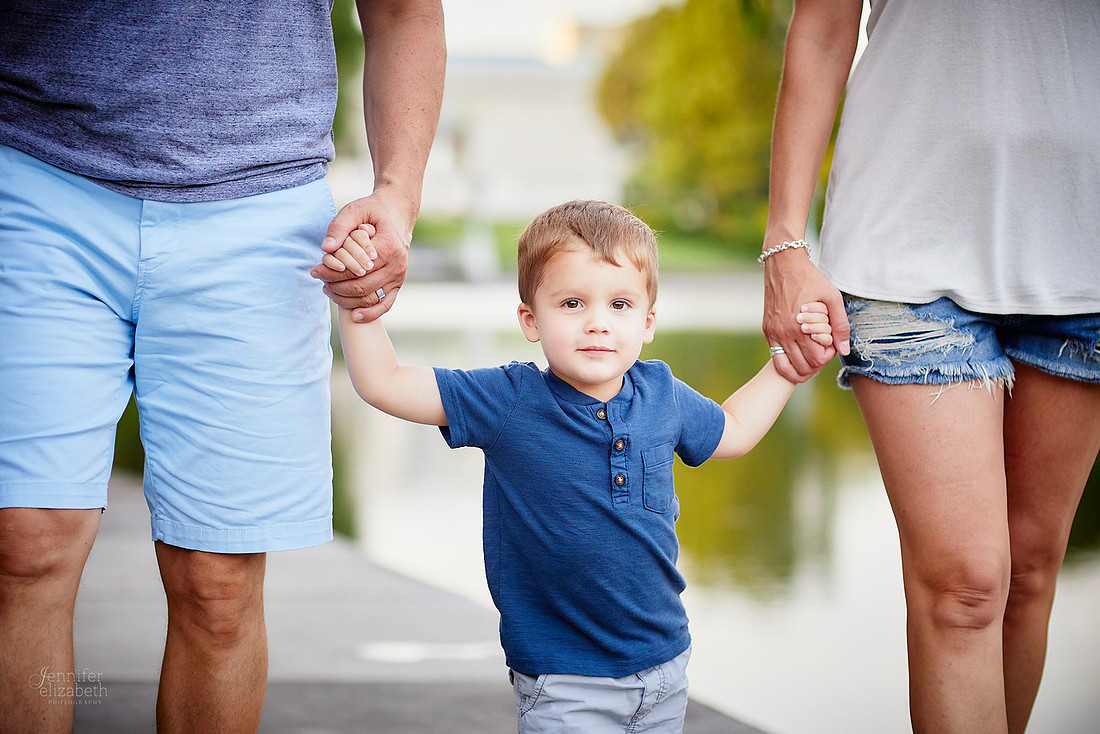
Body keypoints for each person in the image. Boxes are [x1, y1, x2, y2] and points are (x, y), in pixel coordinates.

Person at [0, 2, 444, 732]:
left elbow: (403, 13)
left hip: (259, 203)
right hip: (36, 174)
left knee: (218, 584)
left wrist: (398, 192)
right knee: (25, 542)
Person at [330, 200, 833, 733]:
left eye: (620, 305)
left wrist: (787, 368)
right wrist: (356, 300)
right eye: (572, 303)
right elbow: (383, 381)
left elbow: (732, 430)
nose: (598, 323)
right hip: (564, 679)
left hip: (663, 667)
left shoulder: (661, 392)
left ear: (648, 322)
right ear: (530, 319)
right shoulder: (508, 400)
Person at [760, 1, 1100, 732]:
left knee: (1032, 569)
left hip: (1087, 244)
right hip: (903, 233)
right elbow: (822, 28)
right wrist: (785, 240)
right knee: (966, 586)